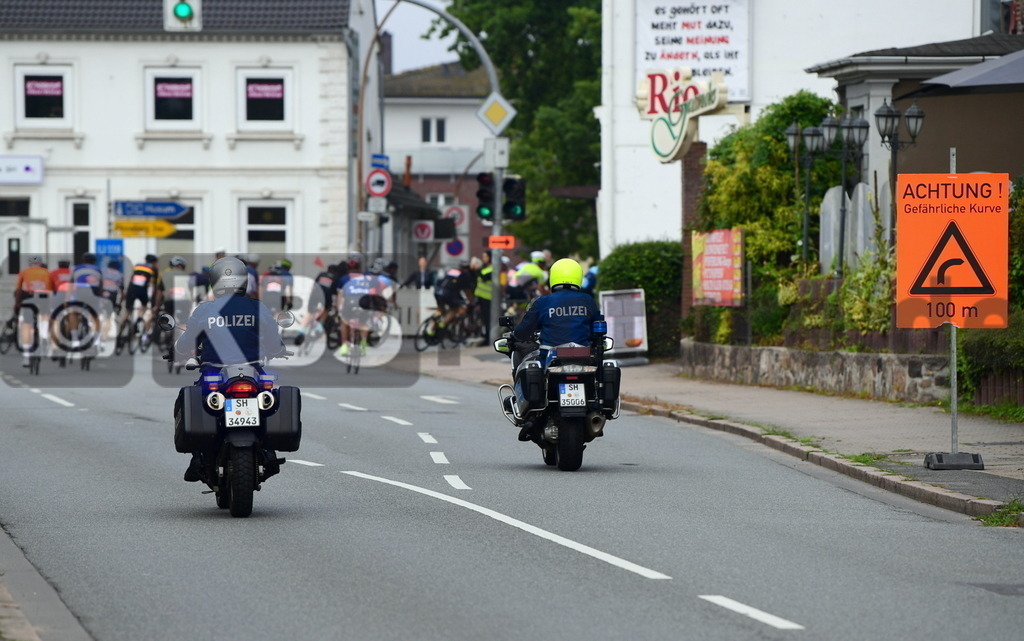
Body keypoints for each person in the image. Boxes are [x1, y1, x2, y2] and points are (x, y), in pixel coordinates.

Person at [174, 256, 288, 483]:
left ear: (214, 282)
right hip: (253, 373)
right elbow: (274, 343)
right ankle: (268, 450)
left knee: (193, 402)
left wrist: (178, 348)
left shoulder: (205, 310)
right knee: (270, 400)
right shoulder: (258, 308)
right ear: (244, 281)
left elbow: (185, 344)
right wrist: (278, 349)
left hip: (214, 374)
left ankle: (197, 457)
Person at [507, 258, 600, 437]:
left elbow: (523, 331)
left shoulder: (543, 302)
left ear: (553, 277)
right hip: (583, 357)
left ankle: (533, 416)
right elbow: (599, 329)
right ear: (578, 278)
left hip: (551, 357)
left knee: (534, 370)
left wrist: (514, 338)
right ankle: (595, 404)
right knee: (597, 372)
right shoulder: (587, 300)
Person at [336, 257, 394, 356]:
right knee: (364, 323)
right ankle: (363, 345)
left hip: (350, 303)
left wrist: (339, 308)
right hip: (364, 303)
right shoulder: (368, 279)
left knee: (344, 321)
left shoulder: (346, 279)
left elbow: (341, 295)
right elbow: (375, 293)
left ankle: (345, 345)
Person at [14, 255, 54, 366]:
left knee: (27, 325)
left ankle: (26, 355)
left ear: (29, 263)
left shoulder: (24, 272)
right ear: (40, 263)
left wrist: (17, 304)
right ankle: (44, 335)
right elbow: (51, 291)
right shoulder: (47, 273)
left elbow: (19, 290)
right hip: (43, 297)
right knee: (44, 316)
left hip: (29, 297)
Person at [430, 259, 475, 336]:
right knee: (454, 309)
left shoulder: (452, 271)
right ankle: (442, 325)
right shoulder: (465, 275)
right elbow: (467, 291)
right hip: (447, 293)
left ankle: (430, 329)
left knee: (440, 310)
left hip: (437, 291)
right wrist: (471, 301)